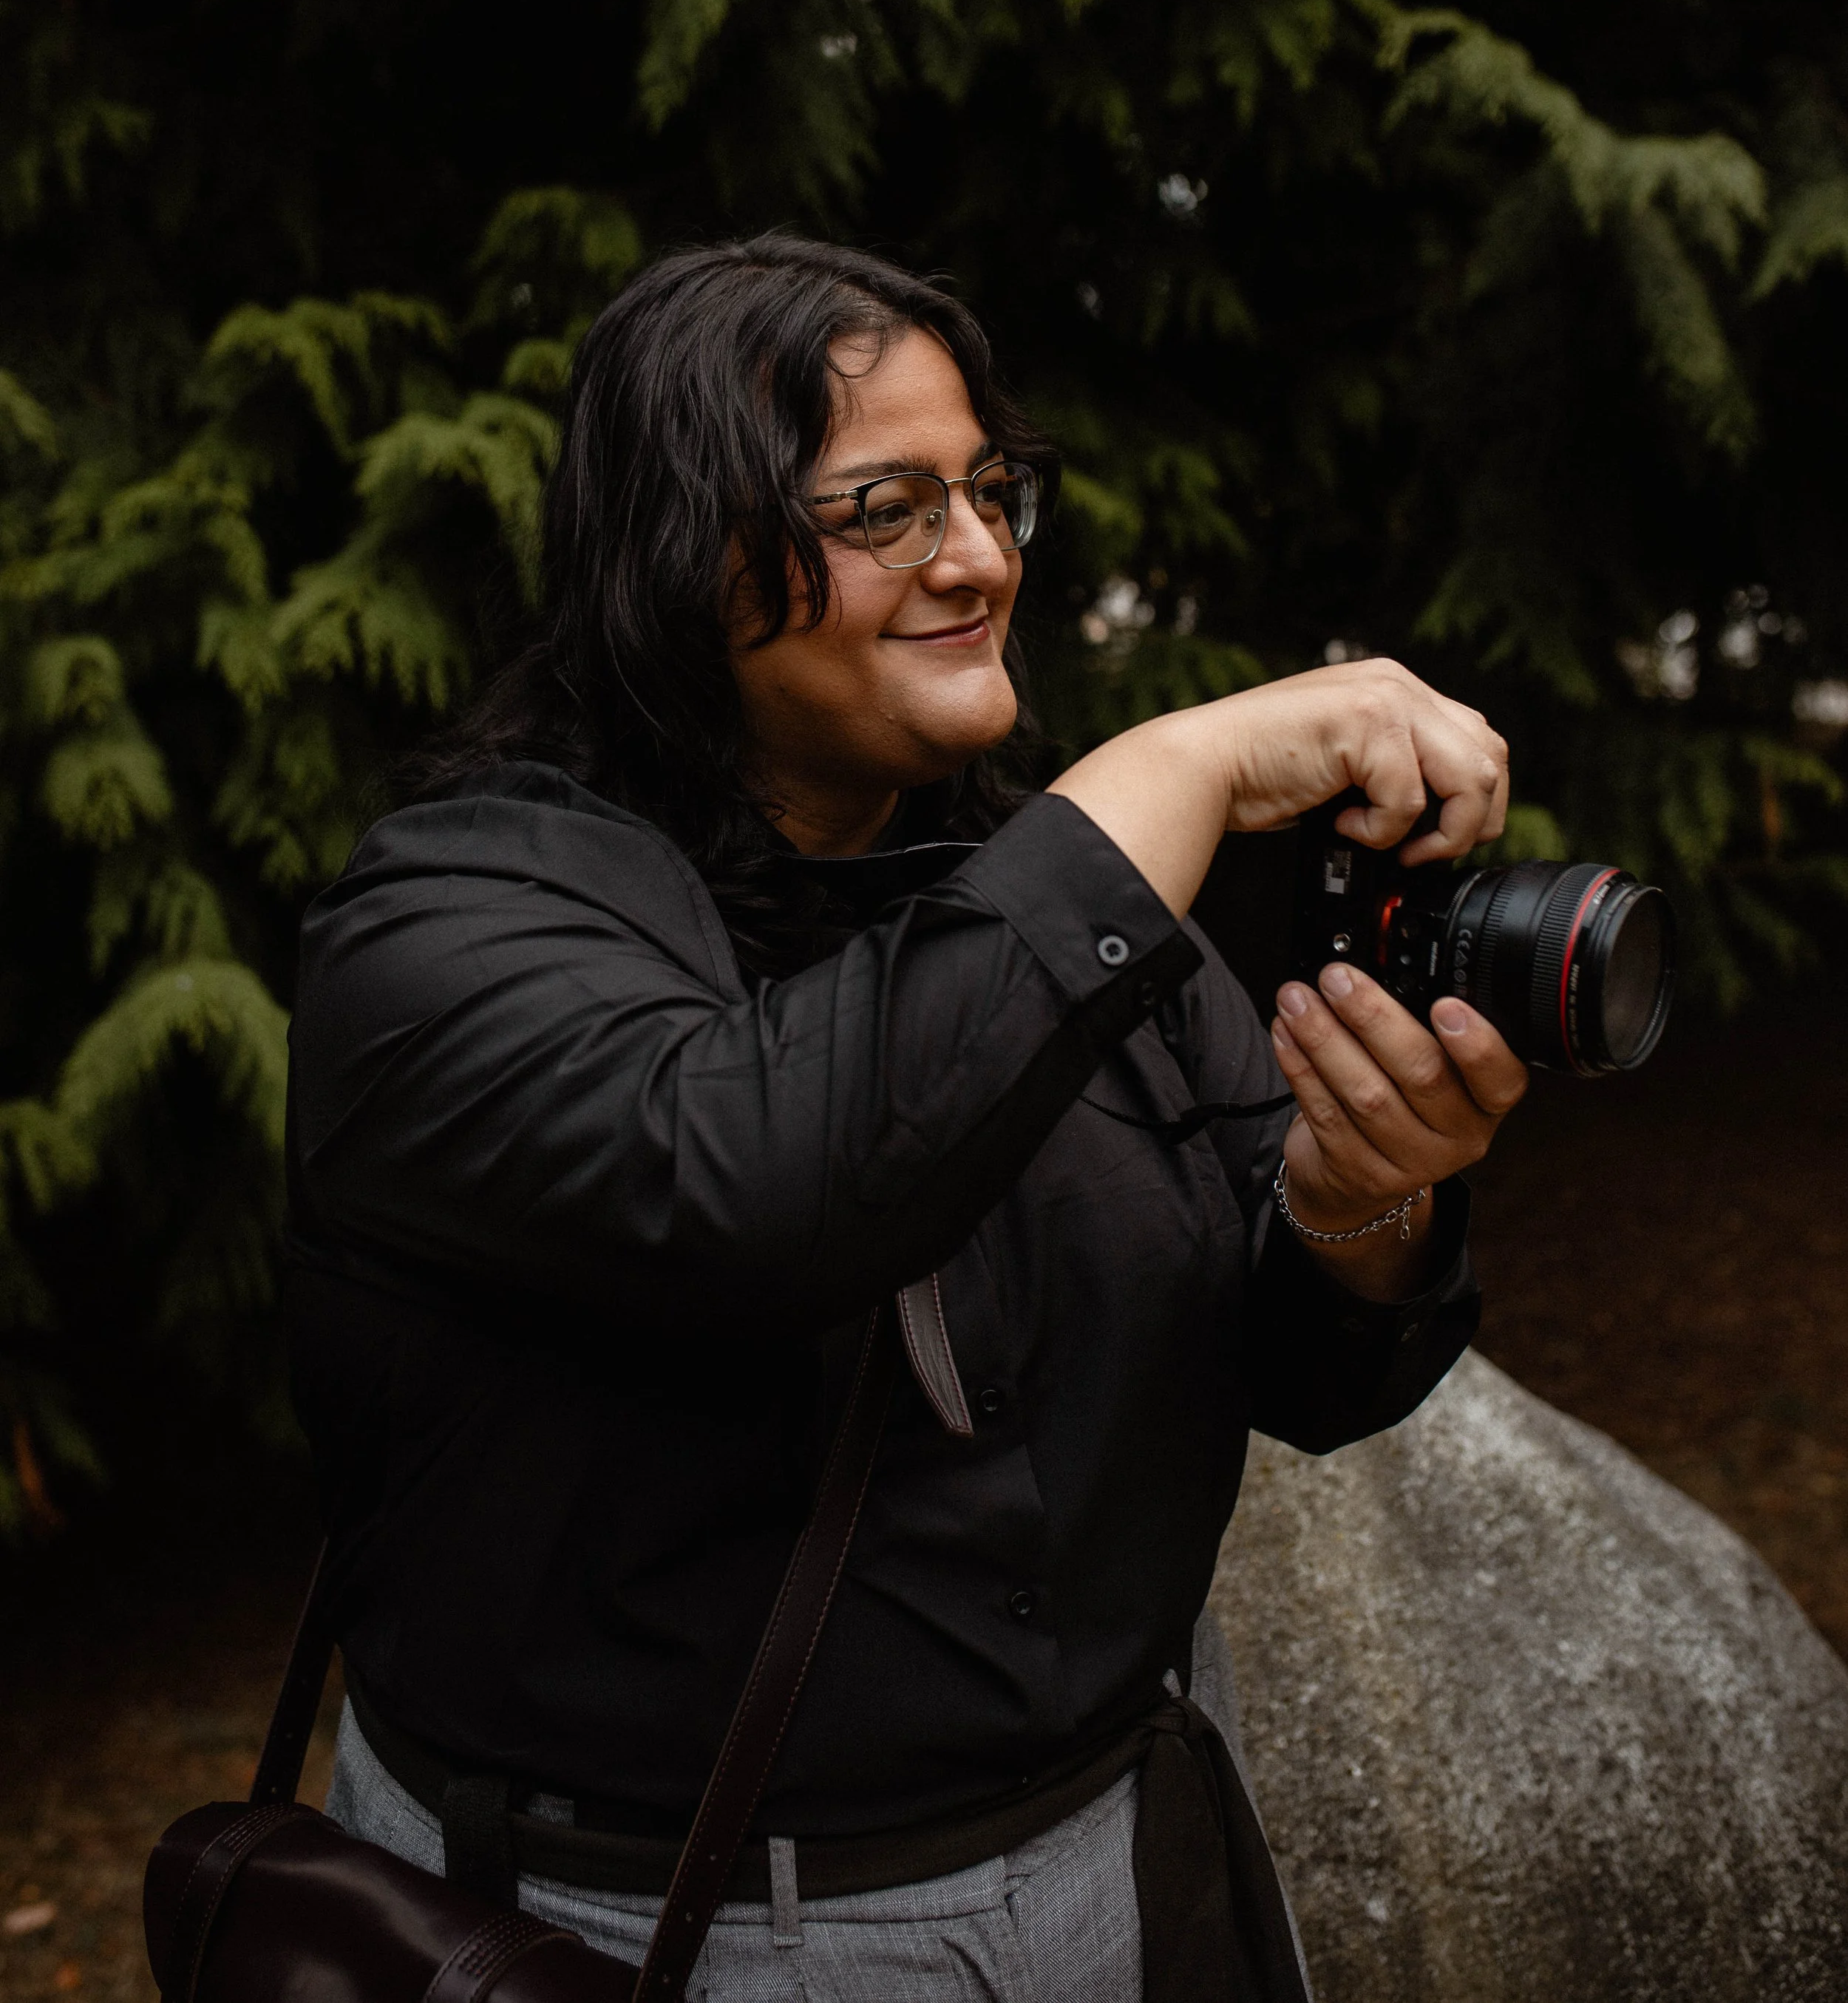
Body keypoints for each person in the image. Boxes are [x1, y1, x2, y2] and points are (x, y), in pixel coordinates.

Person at [288, 235, 1527, 2002]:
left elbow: (1307, 1372)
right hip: (650, 1934)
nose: (979, 557)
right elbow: (771, 1185)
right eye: (883, 505)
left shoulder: (1065, 912)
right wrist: (1176, 764)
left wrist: (1360, 1197)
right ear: (675, 550)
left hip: (1123, 1864)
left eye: (986, 488)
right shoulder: (447, 925)